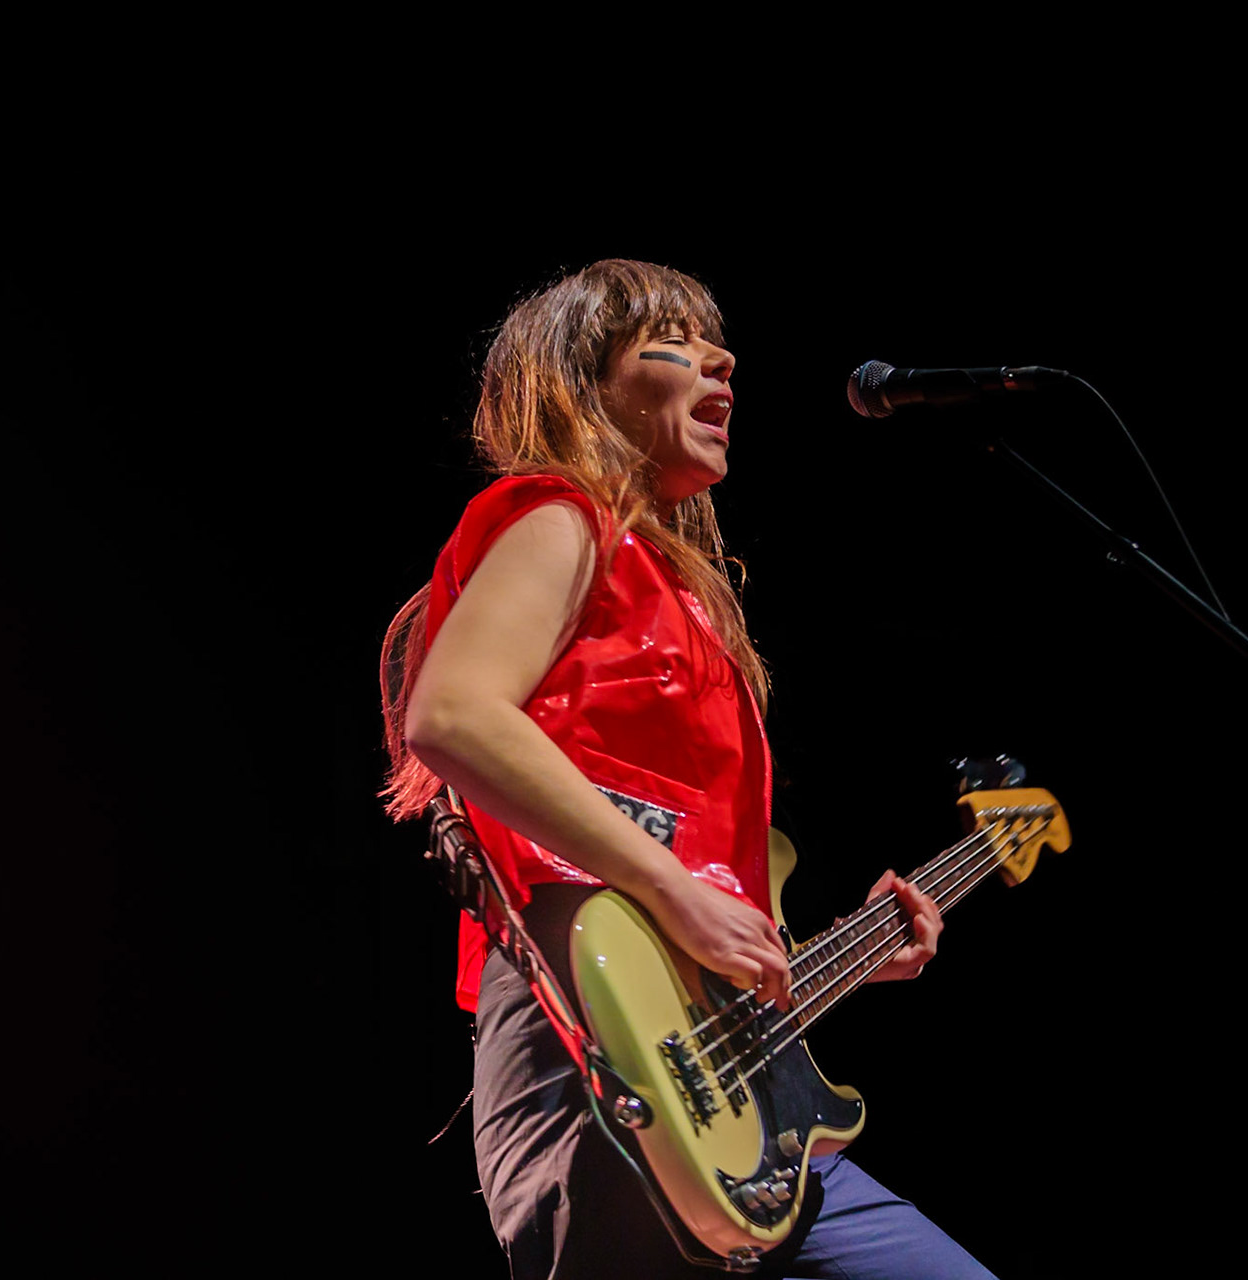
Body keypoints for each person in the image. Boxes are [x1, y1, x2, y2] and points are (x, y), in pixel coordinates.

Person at [379, 260, 995, 1279]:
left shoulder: (683, 594)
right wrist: (673, 890)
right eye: (672, 338)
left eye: (717, 340)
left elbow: (683, 880)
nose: (724, 360)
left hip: (736, 1095)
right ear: (589, 382)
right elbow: (452, 713)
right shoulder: (557, 518)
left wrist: (814, 954)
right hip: (587, 1037)